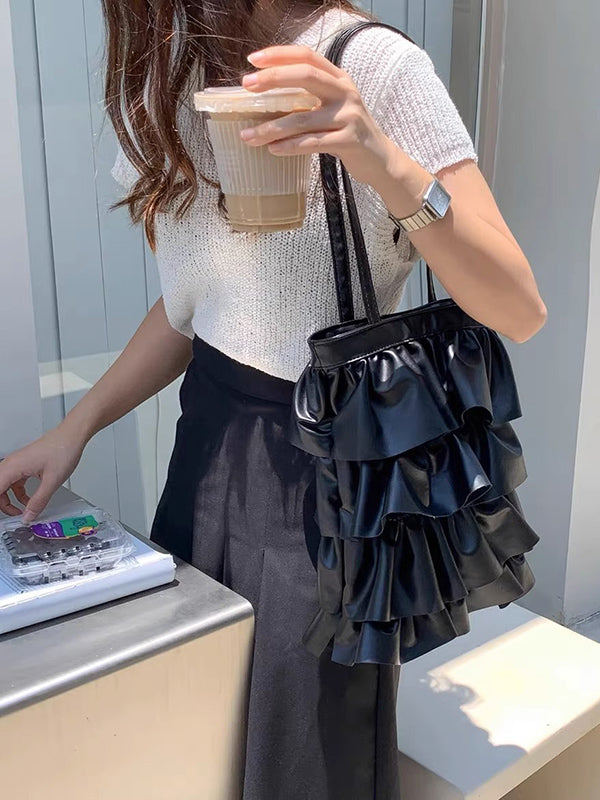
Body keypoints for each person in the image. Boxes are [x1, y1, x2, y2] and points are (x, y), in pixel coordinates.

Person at [0, 1, 547, 797]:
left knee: (305, 758)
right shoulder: (170, 76)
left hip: (326, 474)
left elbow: (518, 308)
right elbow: (197, 306)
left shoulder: (375, 66)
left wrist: (379, 156)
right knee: (196, 730)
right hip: (206, 451)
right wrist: (76, 428)